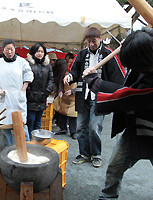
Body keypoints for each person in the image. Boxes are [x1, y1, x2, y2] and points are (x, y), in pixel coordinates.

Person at [82, 28, 153, 200]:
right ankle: (108, 196)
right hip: (135, 128)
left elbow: (129, 95)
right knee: (114, 167)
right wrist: (131, 44)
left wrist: (95, 82)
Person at [63, 27, 126, 168]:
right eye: (89, 41)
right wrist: (69, 76)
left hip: (98, 97)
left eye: (94, 41)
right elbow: (74, 70)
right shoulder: (82, 54)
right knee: (80, 127)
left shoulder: (109, 54)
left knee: (94, 127)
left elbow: (118, 79)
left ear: (100, 39)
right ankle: (84, 153)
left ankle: (96, 154)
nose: (91, 44)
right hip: (82, 96)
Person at [0, 39, 33, 146]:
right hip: (5, 97)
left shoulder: (22, 62)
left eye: (11, 49)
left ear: (15, 49)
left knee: (22, 124)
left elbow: (28, 76)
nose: (9, 52)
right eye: (7, 49)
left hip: (19, 96)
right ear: (3, 51)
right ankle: (8, 148)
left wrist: (23, 90)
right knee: (5, 124)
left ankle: (25, 146)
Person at [26, 42, 53, 137]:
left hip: (42, 98)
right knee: (30, 121)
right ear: (33, 52)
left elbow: (51, 79)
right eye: (38, 51)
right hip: (31, 98)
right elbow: (25, 80)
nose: (40, 53)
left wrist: (46, 93)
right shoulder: (28, 64)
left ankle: (36, 142)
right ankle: (28, 142)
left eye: (42, 51)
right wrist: (29, 93)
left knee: (38, 122)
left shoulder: (47, 65)